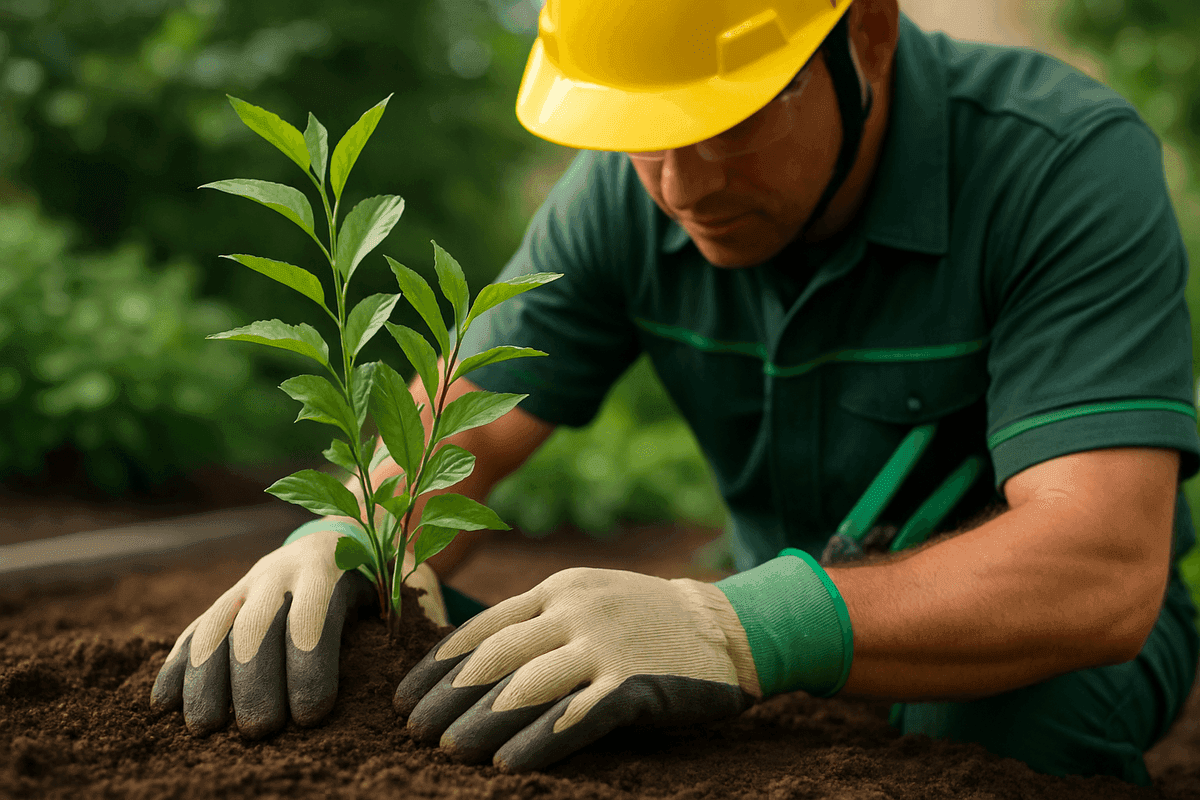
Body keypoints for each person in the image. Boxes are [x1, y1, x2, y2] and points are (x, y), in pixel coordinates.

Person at [150, 0, 1200, 784]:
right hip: (762, 628)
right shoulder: (622, 192)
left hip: (1023, 643)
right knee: (434, 656)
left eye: (730, 120)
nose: (681, 184)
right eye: (642, 130)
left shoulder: (1057, 165)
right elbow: (471, 412)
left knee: (1007, 729)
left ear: (866, 35)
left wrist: (735, 626)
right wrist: (352, 534)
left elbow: (1099, 567)